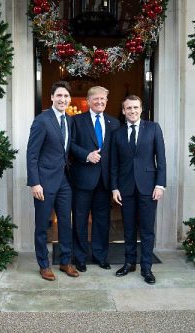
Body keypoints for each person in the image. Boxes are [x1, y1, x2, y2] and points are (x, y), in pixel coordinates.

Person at [110, 95, 166, 285]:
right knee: (128, 228)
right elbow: (114, 164)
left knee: (147, 230)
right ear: (123, 111)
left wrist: (160, 185)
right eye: (128, 108)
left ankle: (146, 268)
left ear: (141, 109)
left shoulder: (153, 128)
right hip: (125, 188)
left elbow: (162, 159)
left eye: (135, 107)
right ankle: (129, 263)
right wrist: (114, 187)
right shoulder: (117, 133)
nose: (132, 111)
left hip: (148, 188)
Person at [26, 81, 79, 281]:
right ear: (51, 97)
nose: (63, 99)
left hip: (65, 180)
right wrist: (35, 183)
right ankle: (43, 264)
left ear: (69, 99)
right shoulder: (42, 120)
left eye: (66, 96)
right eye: (59, 96)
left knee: (66, 222)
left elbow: (68, 149)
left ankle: (65, 261)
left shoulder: (70, 120)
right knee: (42, 226)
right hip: (44, 181)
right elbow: (32, 154)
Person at [70, 86, 120, 272]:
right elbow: (69, 145)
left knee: (102, 221)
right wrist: (86, 155)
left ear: (106, 101)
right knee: (80, 220)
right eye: (96, 99)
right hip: (82, 178)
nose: (100, 102)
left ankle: (100, 256)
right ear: (89, 101)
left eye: (103, 99)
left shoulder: (114, 123)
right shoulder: (76, 121)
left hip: (105, 181)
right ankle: (80, 258)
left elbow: (116, 152)